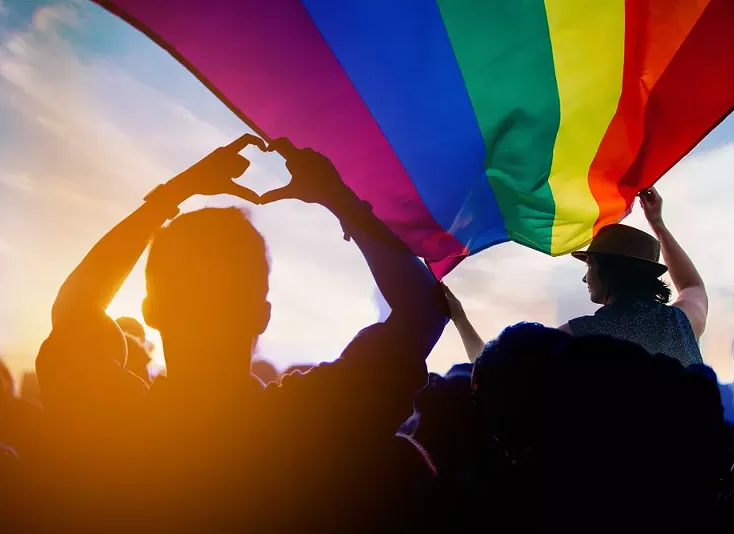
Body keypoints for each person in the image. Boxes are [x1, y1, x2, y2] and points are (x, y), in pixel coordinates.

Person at [34, 134, 447, 530]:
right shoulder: (313, 424)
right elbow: (424, 309)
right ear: (262, 315)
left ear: (151, 310)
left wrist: (172, 195)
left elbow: (74, 309)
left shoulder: (117, 424)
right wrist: (339, 199)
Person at [560, 188, 706, 367]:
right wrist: (657, 224)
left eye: (589, 265)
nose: (585, 278)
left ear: (609, 272)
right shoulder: (680, 323)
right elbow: (692, 287)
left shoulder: (575, 337)